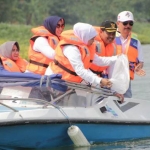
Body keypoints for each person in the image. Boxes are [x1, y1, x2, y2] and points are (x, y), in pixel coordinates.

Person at [45, 22, 119, 89]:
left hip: (68, 81)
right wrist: (99, 80)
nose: (93, 41)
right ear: (85, 36)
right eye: (92, 39)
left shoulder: (85, 47)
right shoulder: (72, 49)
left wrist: (118, 58)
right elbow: (80, 70)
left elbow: (99, 61)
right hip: (55, 79)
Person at [115, 11, 145, 98]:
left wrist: (138, 67)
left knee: (126, 103)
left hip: (126, 80)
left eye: (130, 23)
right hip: (110, 77)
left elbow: (141, 62)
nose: (128, 26)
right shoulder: (110, 37)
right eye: (125, 23)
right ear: (118, 23)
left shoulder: (136, 41)